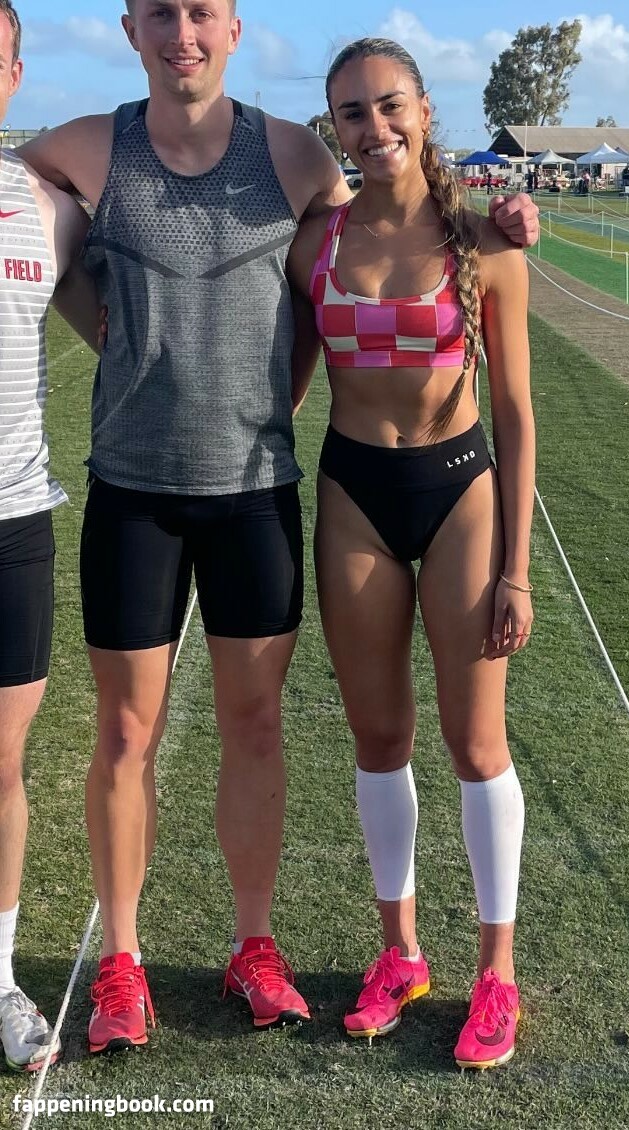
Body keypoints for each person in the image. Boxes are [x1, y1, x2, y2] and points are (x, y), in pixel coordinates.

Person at [19, 0, 539, 1056]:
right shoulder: (109, 156)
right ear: (130, 29)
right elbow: (23, 197)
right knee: (174, 733)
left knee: (350, 731)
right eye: (161, 13)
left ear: (235, 28)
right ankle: (153, 959)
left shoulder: (340, 178)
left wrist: (508, 215)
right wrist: (99, 315)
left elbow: (490, 376)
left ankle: (366, 957)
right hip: (183, 485)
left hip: (314, 488)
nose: (183, 32)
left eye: (202, 12)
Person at [287, 38, 534, 1071]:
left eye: (390, 105)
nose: (374, 126)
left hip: (461, 491)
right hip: (354, 493)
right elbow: (284, 381)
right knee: (379, 735)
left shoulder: (487, 242)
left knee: (476, 742)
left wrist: (516, 567)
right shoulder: (314, 243)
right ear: (334, 127)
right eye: (352, 112)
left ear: (425, 110)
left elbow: (515, 412)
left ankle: (496, 972)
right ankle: (401, 953)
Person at [0, 0, 99, 1073]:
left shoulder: (46, 209)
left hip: (14, 520)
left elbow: (125, 326)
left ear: (15, 74)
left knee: (2, 762)